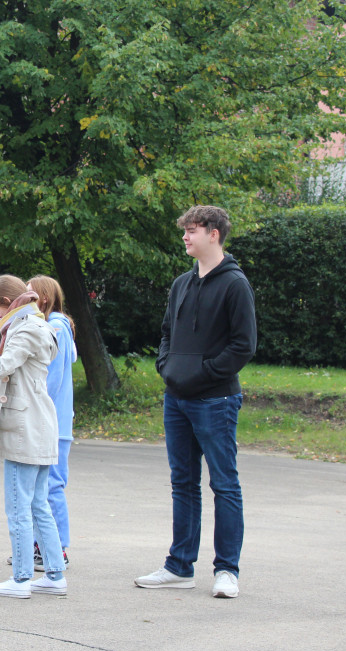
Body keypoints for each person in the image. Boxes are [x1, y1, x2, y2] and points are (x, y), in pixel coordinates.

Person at [135, 205, 256, 599]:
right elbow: (167, 333)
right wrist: (166, 367)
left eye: (192, 230)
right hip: (177, 399)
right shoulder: (181, 284)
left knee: (225, 484)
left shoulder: (235, 284)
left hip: (216, 400)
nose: (185, 237)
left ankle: (227, 571)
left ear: (214, 234)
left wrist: (203, 374)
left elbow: (244, 346)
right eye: (185, 230)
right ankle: (179, 565)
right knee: (182, 483)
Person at [0, 275, 67, 598]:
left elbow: (2, 366)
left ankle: (20, 578)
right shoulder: (37, 323)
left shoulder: (26, 327)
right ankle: (54, 574)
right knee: (39, 504)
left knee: (19, 506)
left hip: (26, 428)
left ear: (7, 304)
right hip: (37, 425)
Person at [27, 275, 77, 569]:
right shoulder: (54, 326)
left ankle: (58, 548)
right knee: (38, 487)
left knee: (51, 486)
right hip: (49, 422)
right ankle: (39, 545)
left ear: (43, 298)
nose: (26, 296)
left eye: (30, 292)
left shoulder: (55, 327)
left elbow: (52, 380)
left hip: (52, 423)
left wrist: (35, 409)